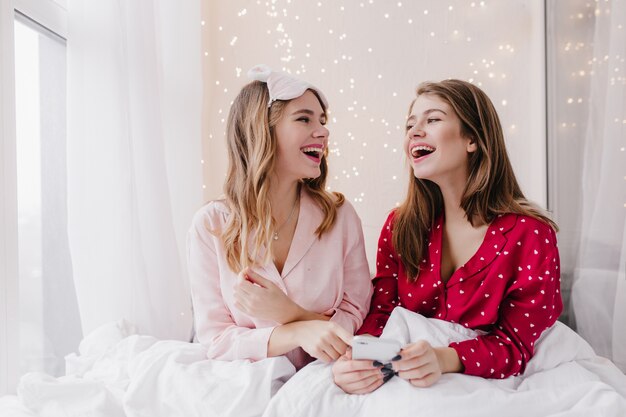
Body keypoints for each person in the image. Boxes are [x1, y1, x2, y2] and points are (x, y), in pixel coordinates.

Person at [332, 79, 563, 393]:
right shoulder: (399, 225)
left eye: (433, 119)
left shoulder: (532, 235)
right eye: (410, 124)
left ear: (472, 138)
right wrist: (358, 358)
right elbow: (382, 313)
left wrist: (443, 359)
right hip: (404, 374)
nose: (414, 131)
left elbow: (514, 345)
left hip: (485, 382)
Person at [187, 65, 372, 370]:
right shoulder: (211, 226)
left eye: (323, 121)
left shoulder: (339, 216)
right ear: (261, 129)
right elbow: (216, 341)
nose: (323, 131)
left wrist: (288, 311)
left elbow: (357, 318)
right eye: (304, 119)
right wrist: (297, 330)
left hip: (325, 377)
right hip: (241, 382)